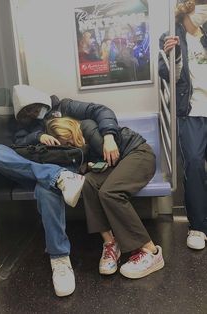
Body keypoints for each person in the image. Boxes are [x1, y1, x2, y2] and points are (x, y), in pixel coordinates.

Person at [0, 84, 121, 296]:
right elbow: (18, 143)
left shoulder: (65, 107)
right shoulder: (25, 124)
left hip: (64, 164)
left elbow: (100, 111)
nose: (33, 114)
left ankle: (59, 258)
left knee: (45, 190)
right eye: (27, 113)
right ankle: (57, 177)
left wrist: (109, 135)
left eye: (34, 108)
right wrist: (37, 137)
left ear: (42, 102)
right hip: (34, 166)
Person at [46, 117, 165, 279]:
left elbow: (111, 155)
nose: (70, 144)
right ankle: (110, 243)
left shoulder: (88, 128)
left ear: (72, 128)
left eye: (68, 138)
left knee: (109, 192)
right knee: (87, 183)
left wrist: (91, 163)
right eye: (65, 143)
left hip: (138, 154)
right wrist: (89, 165)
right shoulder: (77, 147)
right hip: (118, 164)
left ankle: (151, 251)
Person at [159, 0, 207, 250]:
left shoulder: (206, 34)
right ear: (189, 7)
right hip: (191, 110)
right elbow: (168, 76)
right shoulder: (172, 35)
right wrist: (174, 57)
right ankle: (198, 226)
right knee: (195, 163)